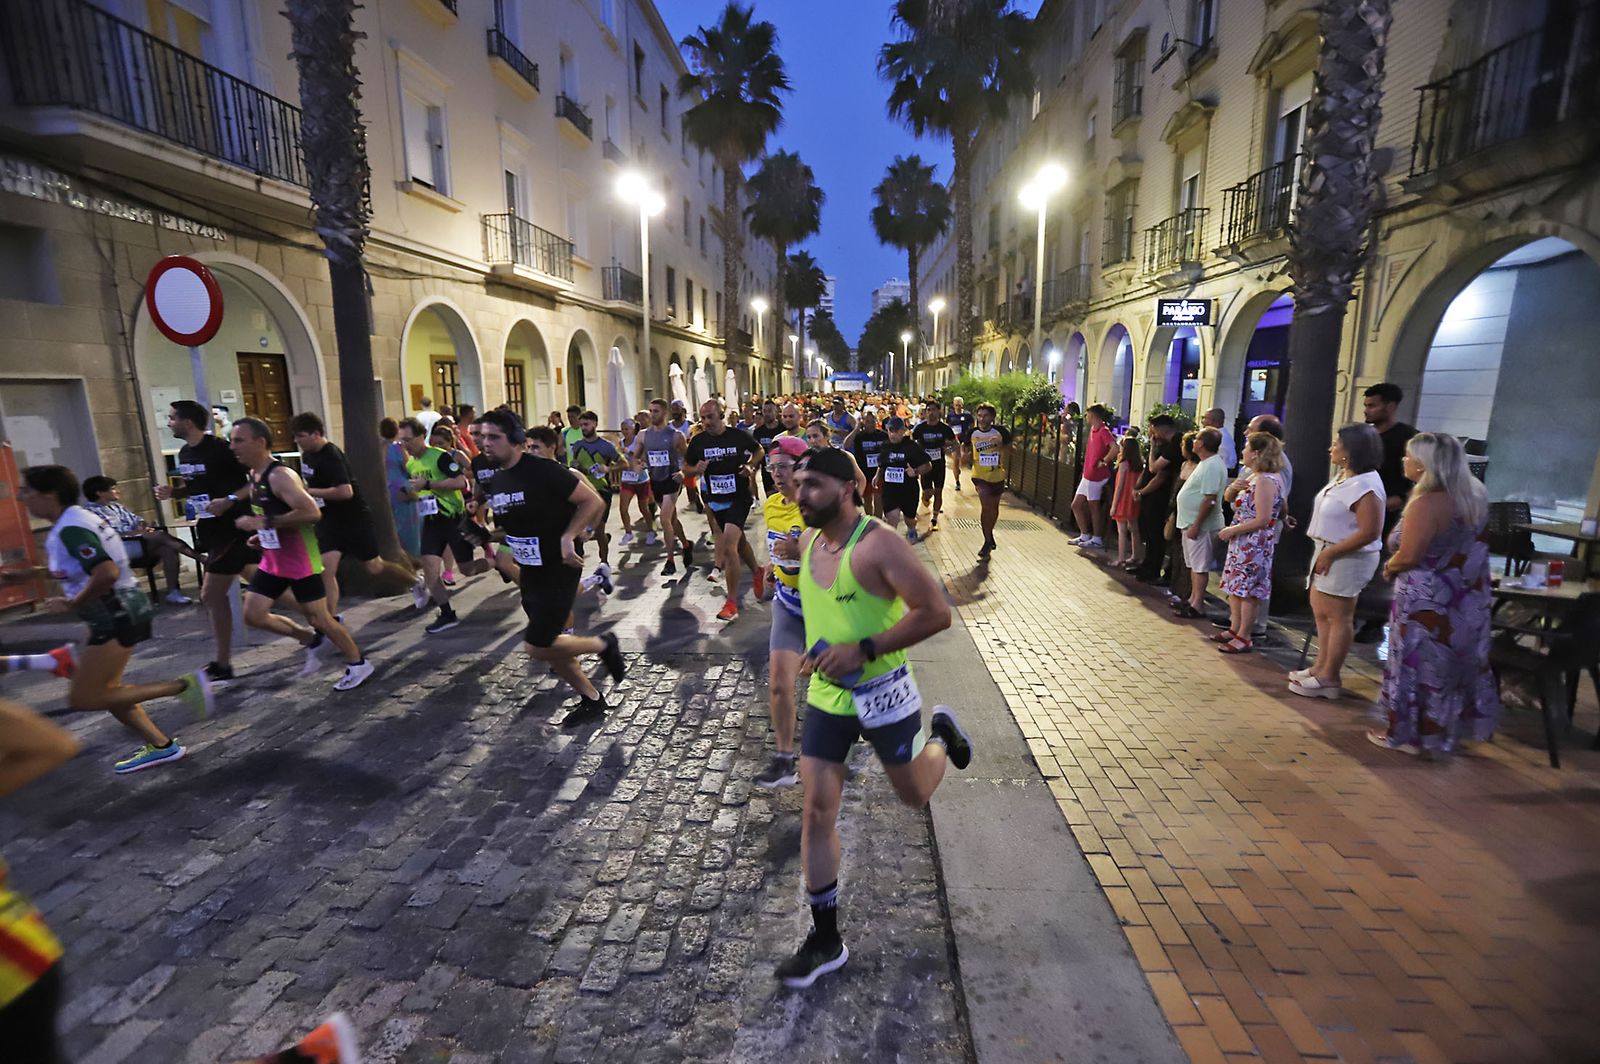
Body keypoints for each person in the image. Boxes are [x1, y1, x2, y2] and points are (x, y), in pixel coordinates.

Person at [776, 446, 973, 988]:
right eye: (798, 482)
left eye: (812, 483)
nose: (801, 492)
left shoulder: (879, 546)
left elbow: (936, 614)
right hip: (829, 697)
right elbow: (826, 615)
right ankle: (825, 938)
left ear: (847, 488)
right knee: (817, 810)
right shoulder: (812, 540)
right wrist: (812, 656)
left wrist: (864, 649)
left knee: (913, 795)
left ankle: (941, 735)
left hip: (885, 690)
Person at [12, 465, 211, 772]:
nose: (21, 497)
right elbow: (80, 566)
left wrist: (71, 603)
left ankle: (182, 686)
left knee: (85, 697)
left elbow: (106, 572)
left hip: (114, 612)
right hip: (119, 608)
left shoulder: (71, 527)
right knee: (109, 691)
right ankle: (162, 746)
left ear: (49, 495)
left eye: (26, 490)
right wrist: (33, 573)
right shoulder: (78, 519)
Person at [479, 410, 626, 729]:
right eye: (482, 436)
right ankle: (591, 700)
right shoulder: (499, 478)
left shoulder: (545, 470)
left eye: (494, 437)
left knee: (537, 644)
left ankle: (604, 644)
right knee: (552, 645)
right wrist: (484, 535)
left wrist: (568, 536)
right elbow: (515, 528)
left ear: (515, 440)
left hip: (559, 566)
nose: (485, 443)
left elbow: (594, 502)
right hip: (530, 569)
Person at [1371, 433, 1499, 755]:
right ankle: (1442, 732)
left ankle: (1410, 735)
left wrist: (1390, 566)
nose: (1405, 460)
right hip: (1464, 596)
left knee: (1417, 666)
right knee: (1447, 667)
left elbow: (1411, 554)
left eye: (1410, 456)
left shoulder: (1427, 502)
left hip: (1425, 598)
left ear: (1426, 463)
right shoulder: (1474, 496)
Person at [230, 418, 374, 691]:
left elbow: (311, 512)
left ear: (260, 442)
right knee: (253, 614)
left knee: (321, 618)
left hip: (300, 561)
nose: (232, 446)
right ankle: (310, 640)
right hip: (273, 559)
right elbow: (272, 516)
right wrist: (261, 535)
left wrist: (264, 523)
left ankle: (358, 663)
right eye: (232, 440)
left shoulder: (280, 475)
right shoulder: (254, 475)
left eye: (239, 440)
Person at [152, 400, 260, 685]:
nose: (168, 422)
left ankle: (223, 662)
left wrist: (229, 501)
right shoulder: (185, 452)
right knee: (265, 584)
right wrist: (173, 492)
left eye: (172, 417)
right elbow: (196, 487)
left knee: (211, 596)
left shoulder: (221, 449)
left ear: (187, 422)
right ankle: (317, 626)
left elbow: (254, 482)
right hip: (210, 530)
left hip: (233, 528)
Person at [1290, 424, 1386, 698]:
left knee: (1338, 616)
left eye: (1337, 444)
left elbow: (1369, 531)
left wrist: (1332, 553)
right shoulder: (1345, 476)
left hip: (1346, 556)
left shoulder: (1366, 484)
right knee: (1321, 612)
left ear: (1351, 451)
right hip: (1326, 549)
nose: (1331, 448)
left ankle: (1330, 676)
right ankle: (1320, 667)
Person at [291, 413, 398, 618]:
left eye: (301, 436)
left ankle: (413, 581)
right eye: (295, 436)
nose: (297, 441)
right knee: (326, 571)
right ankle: (330, 621)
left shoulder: (332, 455)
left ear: (315, 434)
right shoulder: (307, 456)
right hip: (328, 521)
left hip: (353, 519)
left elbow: (345, 491)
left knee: (374, 567)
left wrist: (312, 492)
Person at [755, 435, 810, 789]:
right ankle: (784, 759)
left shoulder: (818, 506)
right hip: (788, 603)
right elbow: (775, 542)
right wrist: (771, 567)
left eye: (783, 467)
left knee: (836, 681)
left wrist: (800, 551)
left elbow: (839, 558)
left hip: (824, 606)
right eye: (771, 467)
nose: (776, 474)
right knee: (779, 683)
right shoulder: (772, 504)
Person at [684, 400, 763, 621]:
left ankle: (732, 603)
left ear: (721, 415)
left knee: (729, 546)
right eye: (703, 417)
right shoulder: (698, 441)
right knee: (739, 542)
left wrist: (750, 466)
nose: (706, 421)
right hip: (716, 500)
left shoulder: (737, 436)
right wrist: (695, 469)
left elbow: (758, 450)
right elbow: (686, 468)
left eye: (710, 416)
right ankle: (758, 571)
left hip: (739, 497)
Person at [397, 417, 477, 633]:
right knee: (431, 574)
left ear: (422, 436)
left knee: (467, 569)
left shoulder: (440, 457)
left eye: (409, 440)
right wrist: (411, 496)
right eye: (401, 441)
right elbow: (423, 491)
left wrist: (429, 483)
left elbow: (462, 482)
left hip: (454, 518)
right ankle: (447, 614)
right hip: (432, 521)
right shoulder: (411, 464)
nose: (405, 445)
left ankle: (497, 563)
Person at [1215, 433, 1287, 654]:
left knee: (1247, 590)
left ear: (1255, 454)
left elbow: (1263, 518)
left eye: (1246, 448)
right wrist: (1234, 488)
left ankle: (1245, 635)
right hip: (1243, 541)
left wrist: (1232, 530)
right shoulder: (1253, 476)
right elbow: (1229, 499)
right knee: (1236, 587)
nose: (1243, 452)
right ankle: (1235, 628)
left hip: (1253, 543)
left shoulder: (1267, 480)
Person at [82, 476, 198, 604]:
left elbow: (137, 520)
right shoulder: (90, 512)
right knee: (160, 535)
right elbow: (108, 534)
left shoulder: (116, 507)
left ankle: (173, 592)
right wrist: (137, 532)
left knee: (167, 549)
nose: (118, 491)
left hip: (138, 542)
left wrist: (143, 526)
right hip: (118, 547)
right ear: (100, 493)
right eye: (113, 489)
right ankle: (199, 557)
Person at [633, 398, 695, 576]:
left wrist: (683, 472)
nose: (652, 414)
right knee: (672, 520)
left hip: (672, 480)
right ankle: (685, 544)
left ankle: (670, 561)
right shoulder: (643, 435)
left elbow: (689, 459)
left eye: (656, 411)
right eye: (650, 411)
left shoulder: (676, 435)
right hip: (655, 480)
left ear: (665, 413)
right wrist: (636, 464)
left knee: (664, 519)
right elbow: (634, 456)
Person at [1173, 428, 1226, 620]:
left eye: (1196, 438)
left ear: (1202, 443)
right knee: (1194, 565)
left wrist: (1197, 524)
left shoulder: (1212, 465)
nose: (1193, 441)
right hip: (1190, 523)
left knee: (1200, 566)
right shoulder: (1205, 463)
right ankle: (1193, 598)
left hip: (1202, 526)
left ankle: (1197, 604)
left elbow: (1210, 499)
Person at [568, 411, 623, 594]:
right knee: (580, 528)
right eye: (582, 425)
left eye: (587, 424)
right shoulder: (577, 446)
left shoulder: (606, 446)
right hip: (582, 492)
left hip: (602, 491)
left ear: (595, 424)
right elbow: (576, 466)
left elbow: (624, 464)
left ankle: (604, 562)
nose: (584, 428)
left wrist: (608, 468)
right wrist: (576, 467)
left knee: (598, 528)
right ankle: (580, 560)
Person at [1362, 382, 1417, 534]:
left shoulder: (1409, 437)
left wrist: (1402, 498)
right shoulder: (1363, 435)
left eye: (1372, 406)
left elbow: (1426, 474)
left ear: (1390, 406)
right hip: (1362, 506)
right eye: (1366, 405)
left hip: (1391, 511)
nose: (1366, 411)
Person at [1133, 415, 1182, 583]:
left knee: (1156, 535)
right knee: (1148, 532)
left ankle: (1153, 569)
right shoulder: (1165, 444)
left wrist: (1142, 492)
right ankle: (1146, 564)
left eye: (1152, 428)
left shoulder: (1174, 444)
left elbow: (1156, 471)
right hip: (1151, 496)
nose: (1150, 432)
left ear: (1159, 428)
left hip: (1160, 497)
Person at [875, 417, 933, 542]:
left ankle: (912, 528)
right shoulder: (885, 446)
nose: (893, 434)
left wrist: (916, 472)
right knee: (892, 517)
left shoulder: (912, 447)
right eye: (890, 430)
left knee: (909, 519)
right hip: (890, 489)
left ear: (903, 431)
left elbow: (928, 466)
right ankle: (892, 548)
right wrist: (877, 475)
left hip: (908, 490)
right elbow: (882, 464)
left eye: (896, 431)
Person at [966, 403, 1012, 557]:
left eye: (985, 415)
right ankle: (987, 541)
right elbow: (963, 450)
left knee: (993, 508)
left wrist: (1000, 445)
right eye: (979, 415)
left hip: (997, 475)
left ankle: (989, 534)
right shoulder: (972, 433)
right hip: (979, 476)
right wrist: (961, 456)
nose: (982, 418)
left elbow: (1013, 450)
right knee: (986, 506)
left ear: (992, 417)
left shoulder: (1001, 432)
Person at [1069, 404, 1116, 549]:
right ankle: (1085, 534)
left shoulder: (1103, 431)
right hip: (1088, 474)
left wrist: (1104, 461)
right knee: (1076, 505)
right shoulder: (1093, 430)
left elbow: (1115, 447)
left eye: (1088, 415)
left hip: (1096, 476)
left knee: (1093, 506)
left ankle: (1097, 538)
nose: (1086, 417)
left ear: (1094, 416)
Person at [910, 400, 956, 532]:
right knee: (928, 493)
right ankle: (924, 498)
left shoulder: (944, 428)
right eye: (928, 410)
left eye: (933, 410)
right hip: (925, 465)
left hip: (939, 464)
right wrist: (916, 453)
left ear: (939, 411)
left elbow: (955, 443)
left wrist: (948, 449)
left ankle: (934, 519)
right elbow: (911, 441)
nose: (931, 413)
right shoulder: (920, 428)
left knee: (938, 491)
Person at [381, 417, 422, 557]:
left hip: (385, 490)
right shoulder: (398, 447)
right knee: (408, 528)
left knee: (392, 527)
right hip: (401, 489)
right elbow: (409, 467)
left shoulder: (378, 448)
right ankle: (412, 559)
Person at [616, 418, 658, 548]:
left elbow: (643, 457)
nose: (624, 432)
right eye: (622, 429)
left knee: (643, 508)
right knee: (623, 508)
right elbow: (618, 459)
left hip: (641, 479)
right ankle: (628, 532)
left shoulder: (638, 441)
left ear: (633, 429)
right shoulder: (620, 442)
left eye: (626, 429)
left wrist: (628, 452)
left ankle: (651, 530)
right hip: (627, 479)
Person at [846, 409, 889, 518]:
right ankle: (870, 520)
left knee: (878, 501)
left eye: (872, 421)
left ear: (876, 422)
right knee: (868, 500)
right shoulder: (859, 436)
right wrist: (856, 428)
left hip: (879, 473)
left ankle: (878, 523)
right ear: (863, 422)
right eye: (867, 421)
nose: (870, 424)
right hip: (864, 473)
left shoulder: (883, 435)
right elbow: (846, 444)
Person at [1108, 434, 1143, 569]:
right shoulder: (1139, 464)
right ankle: (1136, 555)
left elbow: (1119, 486)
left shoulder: (1124, 464)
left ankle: (1121, 558)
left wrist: (1114, 505)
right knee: (1134, 528)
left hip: (1123, 499)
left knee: (1121, 530)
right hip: (1133, 499)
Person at [752, 399, 785, 495]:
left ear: (776, 412)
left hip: (782, 470)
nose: (767, 414)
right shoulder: (758, 432)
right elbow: (756, 451)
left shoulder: (783, 429)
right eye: (764, 411)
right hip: (767, 472)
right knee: (771, 499)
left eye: (770, 411)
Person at [947, 396, 975, 492]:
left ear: (962, 405)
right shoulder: (950, 415)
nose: (957, 406)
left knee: (963, 460)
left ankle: (959, 468)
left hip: (965, 440)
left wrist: (970, 437)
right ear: (953, 405)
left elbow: (972, 426)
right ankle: (957, 482)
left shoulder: (967, 415)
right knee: (955, 460)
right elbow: (948, 427)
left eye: (959, 405)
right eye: (956, 405)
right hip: (954, 440)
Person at [1203, 407, 1237, 473]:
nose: (1203, 421)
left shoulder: (1220, 437)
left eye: (1205, 418)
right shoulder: (1218, 434)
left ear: (1211, 421)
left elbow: (1223, 461)